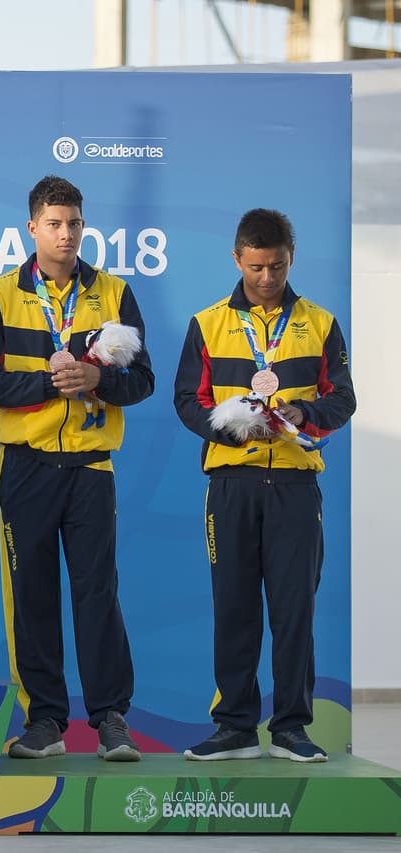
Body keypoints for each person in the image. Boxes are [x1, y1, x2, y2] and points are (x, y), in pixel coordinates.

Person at [0, 176, 152, 761]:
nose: (65, 234)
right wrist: (48, 383)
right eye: (54, 223)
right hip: (25, 465)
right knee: (32, 594)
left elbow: (142, 381)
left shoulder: (115, 292)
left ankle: (110, 718)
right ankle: (44, 720)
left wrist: (101, 379)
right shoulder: (0, 294)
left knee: (99, 591)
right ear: (32, 228)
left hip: (92, 467)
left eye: (73, 223)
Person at [173, 208, 355, 763]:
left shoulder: (320, 323)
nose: (267, 279)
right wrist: (228, 430)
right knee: (233, 605)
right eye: (256, 267)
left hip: (296, 486)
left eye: (276, 266)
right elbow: (188, 400)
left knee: (293, 606)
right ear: (237, 258)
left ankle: (292, 728)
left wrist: (304, 411)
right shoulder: (207, 324)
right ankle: (233, 726)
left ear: (290, 258)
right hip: (231, 482)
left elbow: (343, 398)